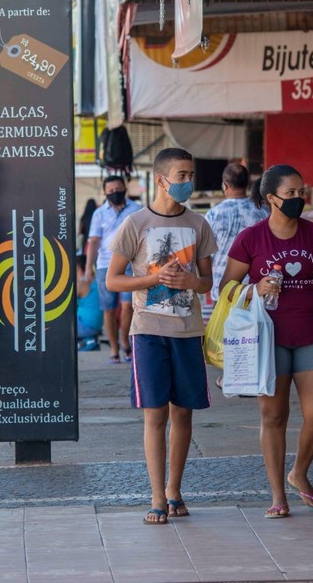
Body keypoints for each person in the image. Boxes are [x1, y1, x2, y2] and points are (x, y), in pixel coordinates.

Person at [221, 164, 313, 518]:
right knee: (273, 416)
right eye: (291, 194)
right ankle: (277, 496)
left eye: (302, 193)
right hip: (267, 340)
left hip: (312, 333)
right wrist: (255, 288)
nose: (299, 199)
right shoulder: (250, 239)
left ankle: (299, 471)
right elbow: (225, 289)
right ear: (271, 199)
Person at [107, 147, 216, 524]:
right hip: (148, 332)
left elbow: (207, 283)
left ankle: (175, 490)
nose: (187, 182)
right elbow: (113, 279)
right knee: (154, 414)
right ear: (161, 179)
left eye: (190, 175)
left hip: (188, 332)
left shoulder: (199, 225)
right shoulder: (136, 224)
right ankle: (156, 497)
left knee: (183, 412)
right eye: (181, 175)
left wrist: (192, 281)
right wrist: (153, 279)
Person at [85, 176, 141, 364]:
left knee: (128, 306)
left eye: (118, 188)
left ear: (124, 188)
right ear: (105, 193)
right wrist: (88, 269)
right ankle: (114, 349)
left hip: (130, 265)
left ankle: (125, 341)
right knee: (108, 309)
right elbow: (93, 242)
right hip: (104, 266)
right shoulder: (99, 214)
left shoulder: (136, 209)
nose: (115, 192)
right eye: (111, 191)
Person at [204, 163, 268, 302]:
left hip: (223, 288)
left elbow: (205, 254)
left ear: (225, 186)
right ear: (248, 184)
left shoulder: (213, 214)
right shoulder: (263, 211)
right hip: (256, 288)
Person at [76, 254, 103, 351]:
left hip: (85, 326)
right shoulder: (96, 282)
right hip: (97, 325)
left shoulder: (81, 284)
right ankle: (89, 341)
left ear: (78, 268)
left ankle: (86, 341)